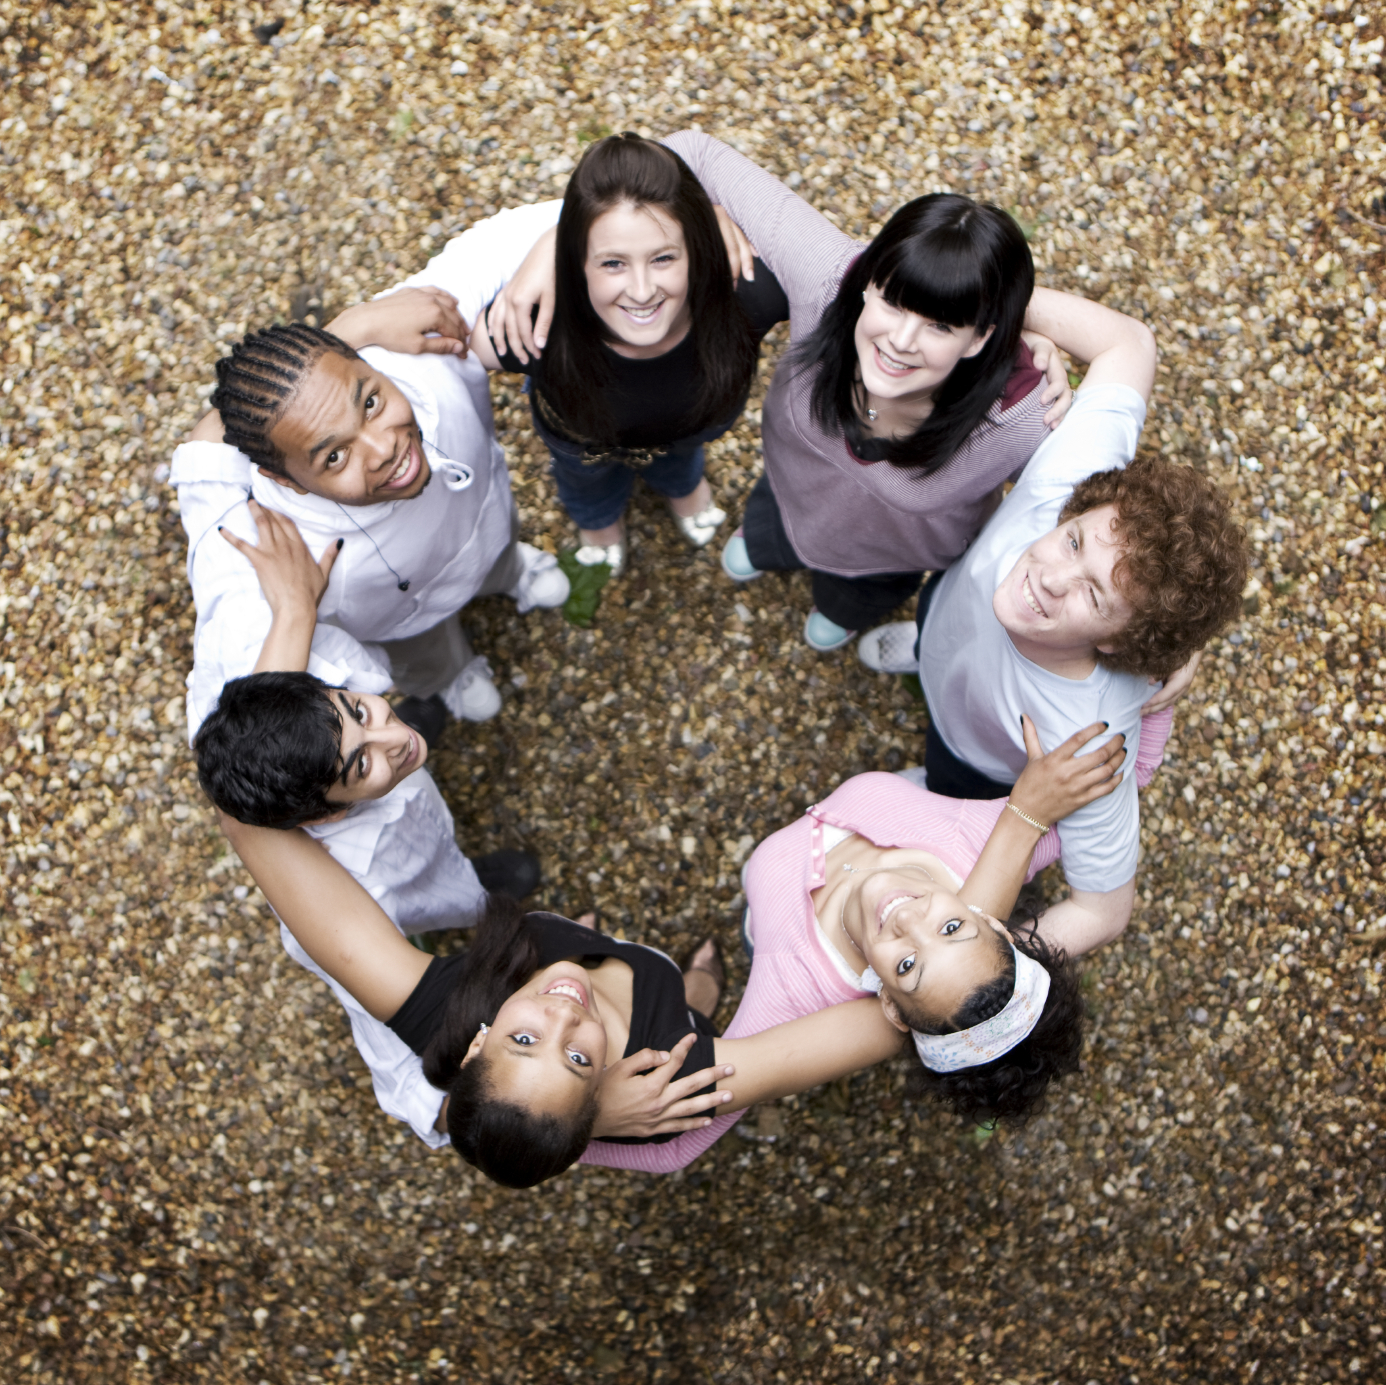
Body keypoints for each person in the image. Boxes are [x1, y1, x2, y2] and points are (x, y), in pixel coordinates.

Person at [488, 133, 1081, 649]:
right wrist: (558, 242)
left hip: (887, 559)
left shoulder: (1023, 418)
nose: (901, 342)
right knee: (752, 536)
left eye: (942, 326)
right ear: (866, 282)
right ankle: (759, 545)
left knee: (843, 606)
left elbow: (1096, 522)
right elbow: (680, 154)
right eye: (894, 304)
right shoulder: (828, 279)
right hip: (786, 497)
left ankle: (840, 611)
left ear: (982, 337)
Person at [857, 288, 1249, 955]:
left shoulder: (1090, 739)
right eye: (1073, 543)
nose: (1052, 577)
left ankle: (932, 794)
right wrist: (1000, 303)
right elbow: (1131, 343)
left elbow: (1103, 911)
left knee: (946, 786)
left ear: (1121, 641)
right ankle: (922, 651)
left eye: (1094, 595)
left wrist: (977, 966)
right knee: (937, 624)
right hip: (949, 605)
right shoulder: (1077, 475)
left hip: (972, 752)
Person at [219, 814, 911, 1188]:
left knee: (580, 959)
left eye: (522, 1041)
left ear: (477, 1043)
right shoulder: (668, 1077)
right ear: (603, 1086)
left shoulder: (445, 1008)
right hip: (662, 1032)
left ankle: (610, 957)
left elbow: (248, 824)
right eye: (578, 1058)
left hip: (536, 1069)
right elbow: (893, 1021)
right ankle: (700, 991)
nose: (563, 1014)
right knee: (689, 1002)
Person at [579, 716, 1133, 1174]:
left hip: (769, 931)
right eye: (951, 929)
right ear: (994, 922)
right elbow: (1128, 762)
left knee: (743, 930)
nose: (907, 918)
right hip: (920, 795)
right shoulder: (993, 835)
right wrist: (1164, 671)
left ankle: (701, 987)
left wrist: (583, 1125)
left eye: (908, 966)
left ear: (889, 1004)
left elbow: (673, 1148)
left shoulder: (793, 992)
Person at [191, 509, 541, 1146]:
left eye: (357, 708)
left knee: (404, 745)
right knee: (457, 889)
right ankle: (472, 890)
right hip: (410, 882)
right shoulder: (347, 900)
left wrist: (295, 608)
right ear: (324, 814)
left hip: (408, 813)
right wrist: (467, 1117)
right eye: (359, 763)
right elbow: (395, 1055)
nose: (391, 736)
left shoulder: (252, 687)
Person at [172, 208, 573, 742]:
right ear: (285, 480)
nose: (385, 448)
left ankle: (512, 572)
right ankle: (449, 675)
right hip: (403, 622)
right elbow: (231, 723)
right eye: (334, 457)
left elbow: (576, 215)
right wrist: (293, 611)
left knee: (496, 552)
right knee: (422, 652)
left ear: (370, 362)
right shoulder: (270, 548)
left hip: (484, 526)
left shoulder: (419, 343)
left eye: (370, 402)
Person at [468, 133, 789, 576]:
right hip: (583, 442)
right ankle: (597, 518)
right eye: (613, 263)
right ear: (575, 262)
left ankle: (681, 484)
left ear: (699, 246)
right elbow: (452, 344)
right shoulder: (536, 319)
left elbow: (839, 278)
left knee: (680, 456)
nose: (641, 291)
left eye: (663, 258)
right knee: (585, 476)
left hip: (689, 427)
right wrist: (543, 246)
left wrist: (727, 212)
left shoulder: (748, 292)